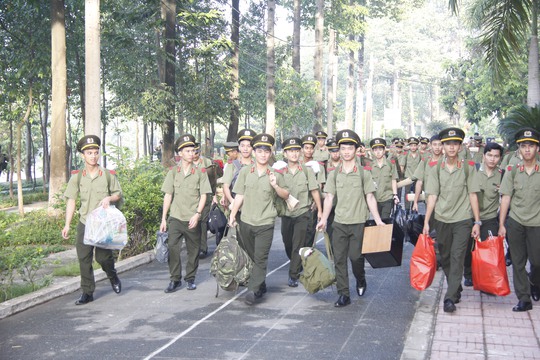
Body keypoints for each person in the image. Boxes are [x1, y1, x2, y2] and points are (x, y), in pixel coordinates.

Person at [316, 129, 386, 308]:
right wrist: (323, 219)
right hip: (339, 223)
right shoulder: (333, 174)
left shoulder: (364, 173)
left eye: (350, 148)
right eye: (343, 148)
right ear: (338, 150)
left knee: (356, 258)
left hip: (358, 223)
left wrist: (377, 220)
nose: (346, 152)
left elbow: (370, 197)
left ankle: (360, 279)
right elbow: (329, 198)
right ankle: (343, 294)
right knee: (339, 259)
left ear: (356, 150)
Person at [423, 127, 481, 313]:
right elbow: (431, 196)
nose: (451, 147)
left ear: (460, 146)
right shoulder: (435, 168)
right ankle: (456, 288)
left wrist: (477, 222)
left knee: (457, 256)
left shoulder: (468, 167)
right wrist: (426, 221)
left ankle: (449, 298)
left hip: (463, 219)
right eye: (447, 144)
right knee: (446, 256)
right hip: (441, 219)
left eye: (455, 144)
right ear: (442, 146)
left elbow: (473, 195)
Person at [228, 133, 289, 305]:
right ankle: (260, 285)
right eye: (259, 151)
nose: (263, 154)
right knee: (252, 257)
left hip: (265, 223)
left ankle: (253, 291)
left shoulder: (275, 174)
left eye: (266, 151)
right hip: (246, 221)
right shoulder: (246, 172)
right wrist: (233, 216)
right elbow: (239, 195)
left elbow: (286, 195)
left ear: (270, 153)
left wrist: (275, 185)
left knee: (261, 258)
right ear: (254, 152)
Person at [62, 135, 122, 305]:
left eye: (96, 152)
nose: (93, 156)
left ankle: (112, 275)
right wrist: (67, 224)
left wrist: (109, 199)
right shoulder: (77, 177)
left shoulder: (108, 175)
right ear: (83, 155)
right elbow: (71, 200)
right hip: (85, 222)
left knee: (103, 258)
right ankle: (87, 292)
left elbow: (118, 194)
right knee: (84, 259)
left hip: (102, 224)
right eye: (89, 153)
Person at [160, 134, 211, 293]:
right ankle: (175, 279)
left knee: (193, 250)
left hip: (192, 218)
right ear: (180, 153)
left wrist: (197, 214)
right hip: (175, 217)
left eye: (192, 150)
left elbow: (204, 195)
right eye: (187, 151)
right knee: (173, 248)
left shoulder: (200, 172)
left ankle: (190, 278)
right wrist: (163, 219)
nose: (191, 153)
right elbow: (168, 195)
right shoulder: (173, 172)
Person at [499, 128, 540, 312]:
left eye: (531, 146)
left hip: (537, 223)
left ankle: (535, 282)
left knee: (537, 262)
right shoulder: (512, 170)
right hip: (516, 222)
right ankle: (524, 298)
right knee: (518, 261)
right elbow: (506, 197)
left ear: (537, 149)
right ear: (519, 149)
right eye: (524, 146)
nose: (528, 150)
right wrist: (501, 224)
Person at [280, 137, 322, 287]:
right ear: (285, 153)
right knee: (287, 242)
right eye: (291, 151)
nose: (294, 154)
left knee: (298, 243)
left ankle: (293, 274)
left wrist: (320, 211)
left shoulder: (306, 170)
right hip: (286, 214)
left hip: (302, 213)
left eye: (297, 150)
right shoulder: (279, 172)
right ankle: (296, 262)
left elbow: (314, 191)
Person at [463, 142, 505, 287]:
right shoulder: (473, 170)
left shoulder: (502, 175)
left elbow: (507, 198)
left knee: (488, 248)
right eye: (490, 155)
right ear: (484, 155)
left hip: (490, 217)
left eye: (496, 156)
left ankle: (485, 278)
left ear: (500, 158)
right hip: (470, 216)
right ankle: (468, 273)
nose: (492, 159)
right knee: (468, 248)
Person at [221, 129, 255, 252]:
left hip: (254, 208)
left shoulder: (258, 165)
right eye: (242, 146)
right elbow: (226, 186)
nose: (245, 149)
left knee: (253, 241)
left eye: (249, 146)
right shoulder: (232, 165)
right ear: (239, 147)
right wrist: (232, 201)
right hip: (237, 209)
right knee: (240, 240)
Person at [301, 134, 326, 247]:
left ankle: (306, 259)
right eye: (306, 148)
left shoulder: (318, 166)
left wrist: (317, 203)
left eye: (311, 148)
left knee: (310, 233)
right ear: (302, 149)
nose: (309, 150)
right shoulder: (297, 164)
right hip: (298, 203)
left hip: (311, 205)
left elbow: (319, 185)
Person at [193, 143, 216, 259]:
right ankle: (194, 248)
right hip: (192, 198)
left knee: (202, 222)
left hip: (206, 196)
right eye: (192, 152)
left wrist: (215, 195)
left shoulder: (207, 163)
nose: (194, 155)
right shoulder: (186, 164)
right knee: (193, 224)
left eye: (196, 152)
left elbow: (214, 179)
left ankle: (203, 248)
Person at [367, 138, 400, 218]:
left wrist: (395, 195)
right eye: (375, 150)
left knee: (385, 219)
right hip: (375, 199)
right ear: (372, 151)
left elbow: (393, 180)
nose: (378, 152)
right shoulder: (370, 166)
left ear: (384, 150)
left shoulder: (390, 164)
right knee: (377, 221)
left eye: (380, 149)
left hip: (387, 198)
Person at [411, 135, 443, 212]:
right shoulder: (425, 161)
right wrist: (415, 202)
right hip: (429, 200)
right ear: (430, 146)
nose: (437, 147)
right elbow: (419, 182)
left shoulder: (448, 161)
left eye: (440, 144)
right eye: (435, 145)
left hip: (445, 201)